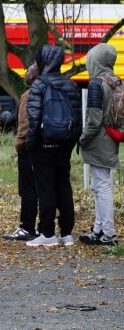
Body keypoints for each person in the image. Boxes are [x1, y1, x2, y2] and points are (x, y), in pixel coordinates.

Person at [25, 45, 81, 247]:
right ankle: (66, 233)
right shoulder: (70, 85)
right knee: (64, 186)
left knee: (46, 187)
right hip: (65, 144)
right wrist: (72, 141)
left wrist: (31, 145)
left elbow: (33, 119)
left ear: (43, 61)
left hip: (44, 145)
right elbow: (77, 118)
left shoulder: (39, 85)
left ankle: (47, 233)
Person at [78, 43, 120, 246]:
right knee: (98, 185)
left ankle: (109, 233)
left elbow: (93, 120)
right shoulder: (116, 81)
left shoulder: (96, 84)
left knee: (102, 186)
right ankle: (99, 229)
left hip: (98, 140)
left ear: (95, 60)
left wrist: (82, 139)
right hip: (110, 138)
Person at [4, 64, 39, 241]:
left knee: (27, 190)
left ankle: (27, 227)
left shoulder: (28, 95)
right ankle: (45, 228)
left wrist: (19, 143)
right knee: (45, 188)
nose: (25, 73)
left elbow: (24, 124)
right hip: (47, 147)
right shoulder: (49, 91)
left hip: (29, 148)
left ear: (33, 76)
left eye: (29, 70)